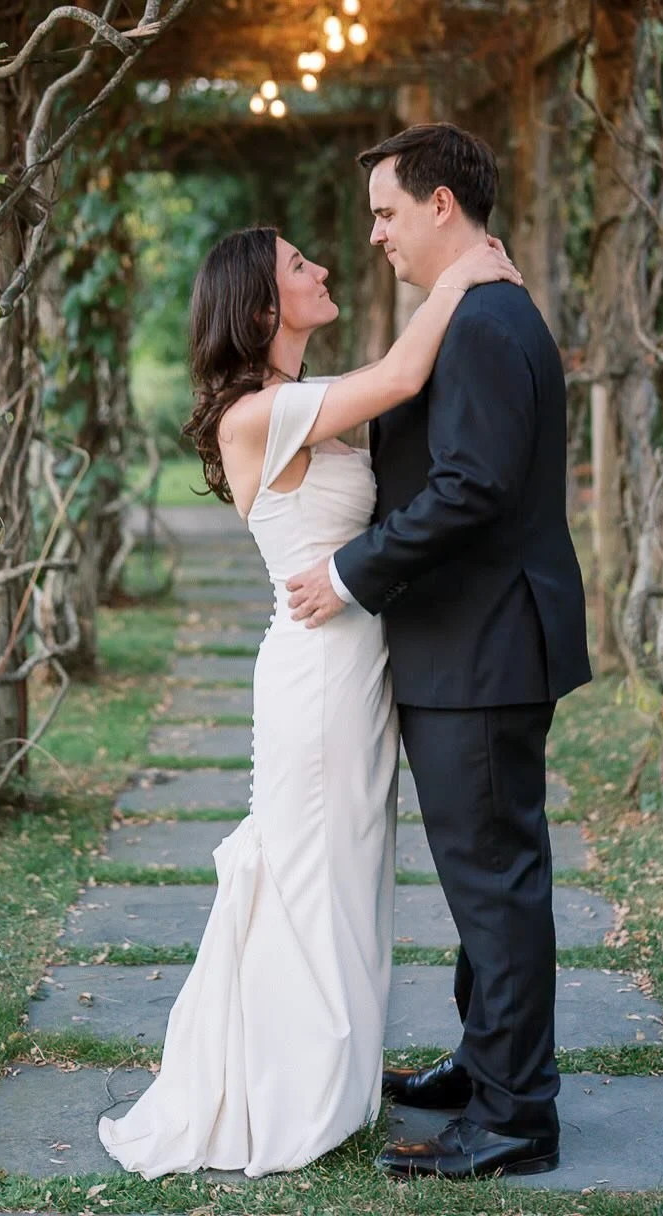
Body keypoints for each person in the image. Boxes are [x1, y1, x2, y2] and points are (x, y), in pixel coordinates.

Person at [96, 220, 522, 1179]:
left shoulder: (299, 402)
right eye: (299, 265)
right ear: (261, 309)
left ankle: (331, 1073)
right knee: (313, 878)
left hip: (355, 666)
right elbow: (401, 375)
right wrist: (458, 276)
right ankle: (293, 1089)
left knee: (349, 875)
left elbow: (393, 399)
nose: (323, 267)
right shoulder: (256, 414)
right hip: (318, 679)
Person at [286, 122, 592, 1181]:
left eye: (386, 212)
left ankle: (517, 1115)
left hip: (486, 644)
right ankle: (485, 1062)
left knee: (495, 881)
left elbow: (472, 488)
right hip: (470, 642)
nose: (375, 233)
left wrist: (350, 572)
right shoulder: (471, 311)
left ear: (440, 205)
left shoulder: (486, 322)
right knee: (482, 884)